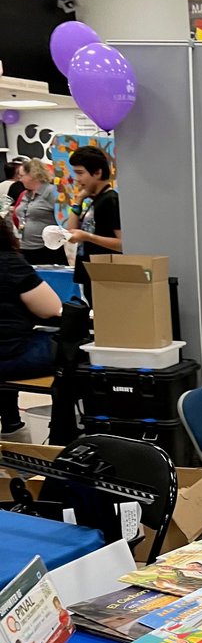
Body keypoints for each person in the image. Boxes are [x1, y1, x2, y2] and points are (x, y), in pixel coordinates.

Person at [0, 214, 63, 437]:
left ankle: (10, 420)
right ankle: (62, 431)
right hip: (11, 357)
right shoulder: (10, 263)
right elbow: (51, 308)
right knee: (72, 349)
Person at [65, 146, 122, 302]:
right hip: (90, 273)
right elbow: (70, 232)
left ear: (97, 172)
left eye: (80, 173)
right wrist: (78, 201)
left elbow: (122, 244)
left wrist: (88, 237)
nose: (77, 179)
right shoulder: (94, 200)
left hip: (106, 275)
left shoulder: (110, 200)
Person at [17, 160, 67, 266]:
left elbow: (64, 217)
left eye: (22, 176)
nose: (20, 179)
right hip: (25, 247)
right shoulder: (26, 194)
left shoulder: (51, 192)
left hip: (46, 249)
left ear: (32, 175)